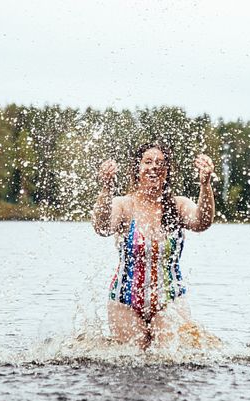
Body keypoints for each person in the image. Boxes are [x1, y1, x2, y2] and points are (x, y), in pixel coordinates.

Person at [92, 142, 215, 350]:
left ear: (166, 172)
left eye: (160, 163)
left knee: (173, 357)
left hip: (169, 299)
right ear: (137, 169)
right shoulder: (124, 205)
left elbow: (202, 222)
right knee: (130, 360)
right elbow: (102, 227)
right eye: (147, 162)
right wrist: (106, 189)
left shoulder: (177, 205)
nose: (154, 167)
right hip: (125, 299)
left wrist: (205, 185)